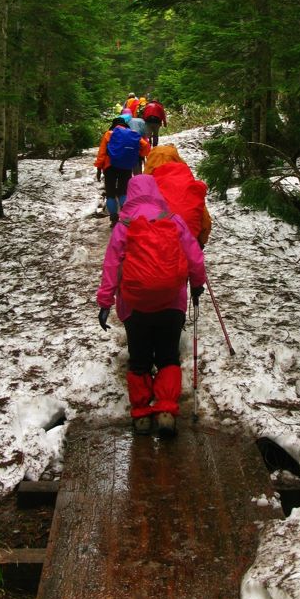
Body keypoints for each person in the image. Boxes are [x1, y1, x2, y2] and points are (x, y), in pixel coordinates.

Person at [96, 175, 206, 436]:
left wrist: (104, 302)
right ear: (156, 192)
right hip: (171, 301)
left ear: (131, 194)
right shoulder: (173, 220)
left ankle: (142, 415)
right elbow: (194, 256)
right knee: (168, 355)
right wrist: (197, 284)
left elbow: (112, 266)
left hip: (135, 306)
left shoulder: (124, 224)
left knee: (140, 359)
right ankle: (166, 410)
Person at [145, 144, 212, 247]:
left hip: (158, 245)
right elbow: (205, 220)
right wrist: (200, 243)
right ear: (176, 158)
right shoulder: (188, 183)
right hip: (189, 241)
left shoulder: (145, 187)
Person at [95, 117, 150, 227]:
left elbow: (101, 153)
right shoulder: (133, 134)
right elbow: (146, 147)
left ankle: (114, 218)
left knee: (110, 193)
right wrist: (138, 155)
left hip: (109, 166)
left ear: (114, 125)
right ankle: (125, 217)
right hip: (126, 166)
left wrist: (99, 168)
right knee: (123, 191)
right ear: (125, 125)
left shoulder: (109, 134)